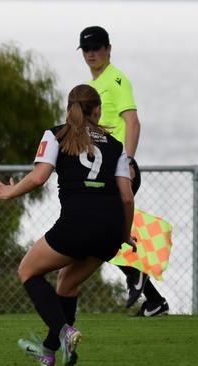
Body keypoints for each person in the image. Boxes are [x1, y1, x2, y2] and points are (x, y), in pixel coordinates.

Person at [0, 84, 135, 365]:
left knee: (28, 271)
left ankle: (65, 332)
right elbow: (126, 199)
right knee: (66, 284)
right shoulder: (116, 146)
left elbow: (39, 177)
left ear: (69, 109)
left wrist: (10, 191)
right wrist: (125, 235)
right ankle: (49, 352)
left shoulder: (56, 134)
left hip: (77, 225)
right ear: (98, 110)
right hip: (110, 230)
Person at [77, 25, 169, 316]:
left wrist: (127, 162)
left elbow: (133, 123)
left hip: (118, 170)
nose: (91, 53)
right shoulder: (94, 85)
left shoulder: (116, 80)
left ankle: (139, 280)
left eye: (96, 48)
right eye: (87, 49)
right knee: (103, 233)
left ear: (108, 49)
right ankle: (153, 300)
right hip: (103, 169)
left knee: (98, 233)